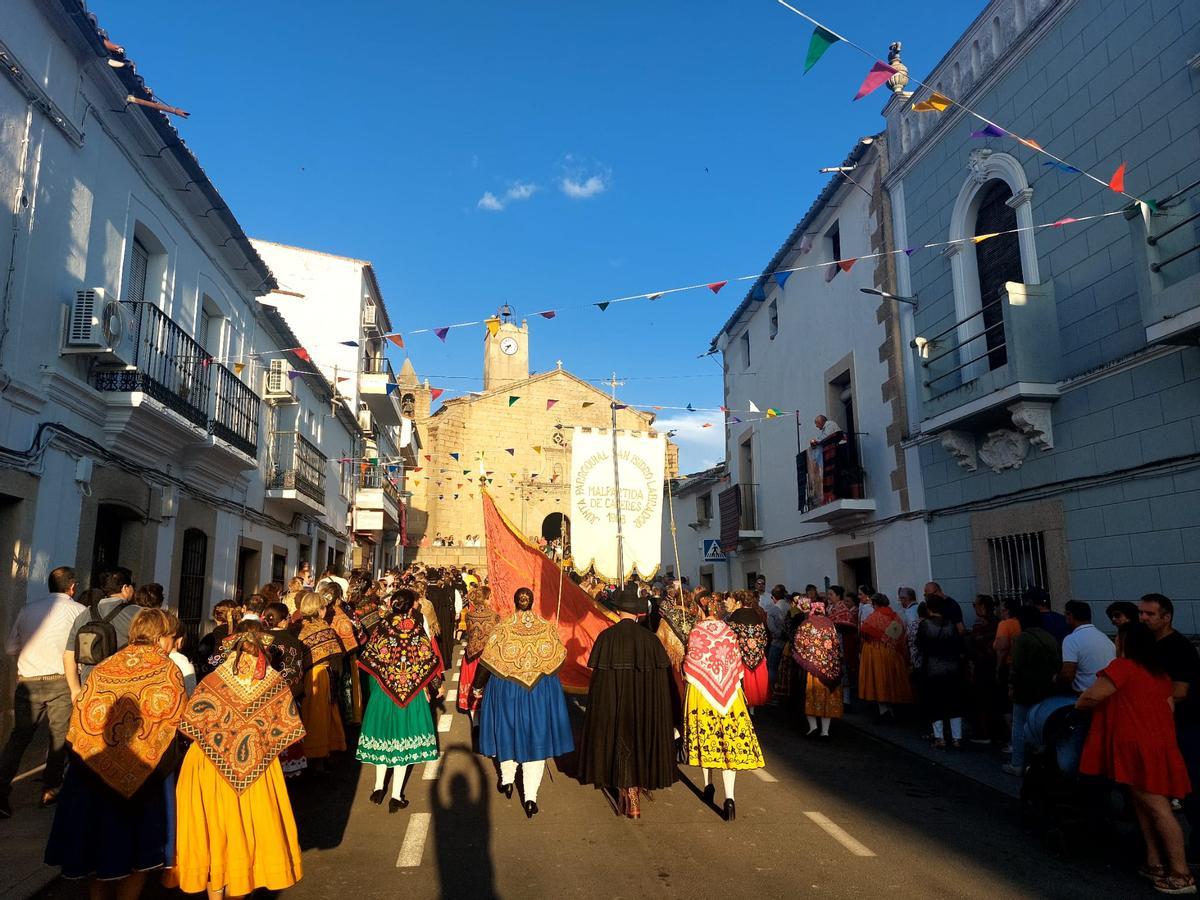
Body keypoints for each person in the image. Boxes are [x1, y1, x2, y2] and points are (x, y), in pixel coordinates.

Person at [44, 608, 185, 895]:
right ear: (161, 638)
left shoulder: (106, 665)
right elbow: (174, 722)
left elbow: (82, 714)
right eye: (171, 637)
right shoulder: (168, 669)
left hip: (93, 772)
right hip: (145, 774)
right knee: (136, 857)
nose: (173, 644)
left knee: (98, 855)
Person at [170, 622, 305, 896]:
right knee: (247, 832)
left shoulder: (213, 681)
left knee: (213, 833)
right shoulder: (274, 684)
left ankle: (215, 892)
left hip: (205, 764)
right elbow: (288, 727)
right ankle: (240, 886)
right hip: (257, 768)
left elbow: (191, 722)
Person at [1078, 622, 1195, 895]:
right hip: (1157, 744)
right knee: (1144, 804)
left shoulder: (1123, 668)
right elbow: (1168, 708)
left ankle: (1181, 873)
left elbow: (1091, 697)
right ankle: (1154, 862)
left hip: (1135, 746)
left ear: (1124, 642)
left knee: (1157, 808)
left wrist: (1079, 704)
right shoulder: (1159, 675)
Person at [578, 586, 676, 819]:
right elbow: (662, 681)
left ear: (619, 611)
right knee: (639, 739)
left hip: (613, 703)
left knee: (617, 739)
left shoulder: (606, 637)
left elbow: (598, 680)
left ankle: (627, 788)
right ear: (639, 613)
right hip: (643, 704)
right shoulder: (649, 640)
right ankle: (634, 790)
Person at [476, 587, 573, 818]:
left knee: (507, 731)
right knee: (536, 738)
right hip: (539, 691)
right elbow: (560, 656)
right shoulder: (547, 627)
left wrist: (478, 687)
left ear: (515, 602)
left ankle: (507, 780)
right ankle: (531, 798)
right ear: (532, 602)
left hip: (507, 687)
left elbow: (487, 661)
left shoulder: (503, 628)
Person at [0, 566, 84, 816]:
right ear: (72, 587)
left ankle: (2, 790)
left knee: (19, 737)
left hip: (29, 680)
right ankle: (51, 788)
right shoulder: (79, 612)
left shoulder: (28, 610)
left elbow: (10, 648)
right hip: (61, 680)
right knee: (59, 736)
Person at [355, 589, 444, 813]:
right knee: (403, 740)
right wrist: (434, 686)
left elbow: (368, 658)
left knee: (384, 736)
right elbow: (427, 659)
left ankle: (377, 788)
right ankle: (396, 795)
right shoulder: (415, 629)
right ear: (411, 606)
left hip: (384, 692)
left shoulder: (382, 628)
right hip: (412, 694)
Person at [682, 595, 764, 821]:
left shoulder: (697, 631)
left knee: (707, 739)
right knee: (728, 741)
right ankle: (730, 798)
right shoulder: (729, 632)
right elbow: (737, 664)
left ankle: (708, 786)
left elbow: (691, 664)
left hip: (702, 693)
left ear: (702, 610)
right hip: (730, 694)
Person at [1140, 593, 1200, 867]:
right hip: (1159, 728)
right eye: (1142, 613)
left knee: (1191, 788)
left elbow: (1179, 691)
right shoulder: (1148, 645)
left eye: (1150, 614)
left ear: (1167, 617)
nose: (1143, 618)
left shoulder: (1179, 647)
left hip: (1183, 726)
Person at [62, 567, 139, 696]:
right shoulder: (138, 614)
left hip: (90, 686)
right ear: (125, 588)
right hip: (124, 688)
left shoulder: (85, 614)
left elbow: (69, 655)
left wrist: (75, 690)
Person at [1004, 605, 1061, 776]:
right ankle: (1041, 763)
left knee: (1019, 724)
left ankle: (1018, 763)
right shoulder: (1050, 638)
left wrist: (1011, 685)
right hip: (1046, 687)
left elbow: (1017, 665)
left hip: (1026, 687)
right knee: (1041, 725)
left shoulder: (1023, 638)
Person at [294, 590, 347, 770]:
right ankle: (319, 753)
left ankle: (308, 753)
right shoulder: (325, 629)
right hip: (321, 675)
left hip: (304, 676)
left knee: (308, 714)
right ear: (319, 609)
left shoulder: (298, 628)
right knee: (321, 714)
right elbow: (336, 655)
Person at [918, 596, 967, 749]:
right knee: (954, 702)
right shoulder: (951, 624)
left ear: (929, 608)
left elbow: (920, 645)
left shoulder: (925, 625)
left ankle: (940, 738)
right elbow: (959, 644)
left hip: (933, 667)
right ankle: (957, 738)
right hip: (952, 667)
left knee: (935, 702)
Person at [793, 599, 843, 738]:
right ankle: (825, 731)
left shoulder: (806, 624)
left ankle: (813, 727)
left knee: (812, 696)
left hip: (813, 669)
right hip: (830, 667)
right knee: (827, 698)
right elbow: (836, 644)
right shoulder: (830, 624)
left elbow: (798, 643)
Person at [858, 593, 913, 716]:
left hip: (875, 651)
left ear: (875, 604)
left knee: (878, 680)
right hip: (893, 653)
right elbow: (900, 634)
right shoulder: (895, 616)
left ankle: (884, 710)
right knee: (891, 680)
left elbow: (864, 631)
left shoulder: (875, 616)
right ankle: (892, 710)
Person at [458, 587, 500, 720]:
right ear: (486, 599)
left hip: (470, 654)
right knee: (484, 687)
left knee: (471, 684)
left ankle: (474, 719)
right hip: (486, 657)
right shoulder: (495, 616)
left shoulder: (470, 614)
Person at [726, 592, 772, 709]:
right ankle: (753, 708)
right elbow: (764, 635)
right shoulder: (757, 614)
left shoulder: (736, 615)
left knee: (744, 682)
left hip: (741, 655)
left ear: (740, 602)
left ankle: (744, 704)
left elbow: (730, 635)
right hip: (757, 654)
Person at [1059, 600, 1115, 694]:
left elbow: (1067, 675)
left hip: (1085, 694)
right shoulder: (1104, 637)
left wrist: (1056, 681)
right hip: (1107, 693)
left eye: (1066, 614)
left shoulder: (1071, 639)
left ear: (1070, 615)